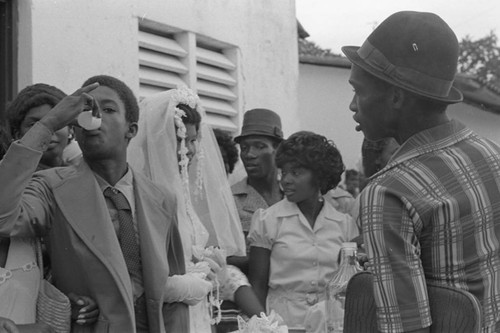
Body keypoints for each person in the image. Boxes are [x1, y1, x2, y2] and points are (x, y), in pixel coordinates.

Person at [342, 11, 500, 332]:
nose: (353, 105)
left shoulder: (389, 192)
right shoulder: (491, 154)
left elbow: (407, 328)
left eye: (359, 90)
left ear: (396, 96)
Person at [0, 75, 188, 332]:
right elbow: (4, 219)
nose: (95, 116)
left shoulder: (162, 198)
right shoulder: (51, 186)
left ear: (131, 129)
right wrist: (49, 124)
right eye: (86, 111)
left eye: (108, 109)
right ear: (74, 129)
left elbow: (173, 290)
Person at [127, 87, 264, 333]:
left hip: (195, 315)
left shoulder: (183, 192)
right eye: (182, 140)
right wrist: (197, 281)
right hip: (162, 319)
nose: (189, 149)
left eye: (193, 140)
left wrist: (209, 266)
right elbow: (140, 280)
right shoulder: (140, 195)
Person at [1, 83, 98, 331]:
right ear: (15, 133)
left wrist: (73, 301)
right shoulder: (11, 186)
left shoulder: (85, 178)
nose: (51, 133)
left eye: (58, 124)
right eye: (35, 125)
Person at [248, 131, 359, 330]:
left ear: (319, 176)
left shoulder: (344, 225)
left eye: (296, 173)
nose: (286, 180)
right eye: (284, 172)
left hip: (329, 324)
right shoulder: (268, 221)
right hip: (282, 324)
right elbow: (258, 285)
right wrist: (262, 326)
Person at [231, 108, 284, 237]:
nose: (249, 154)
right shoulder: (230, 200)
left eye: (260, 147)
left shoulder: (293, 193)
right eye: (244, 148)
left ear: (277, 150)